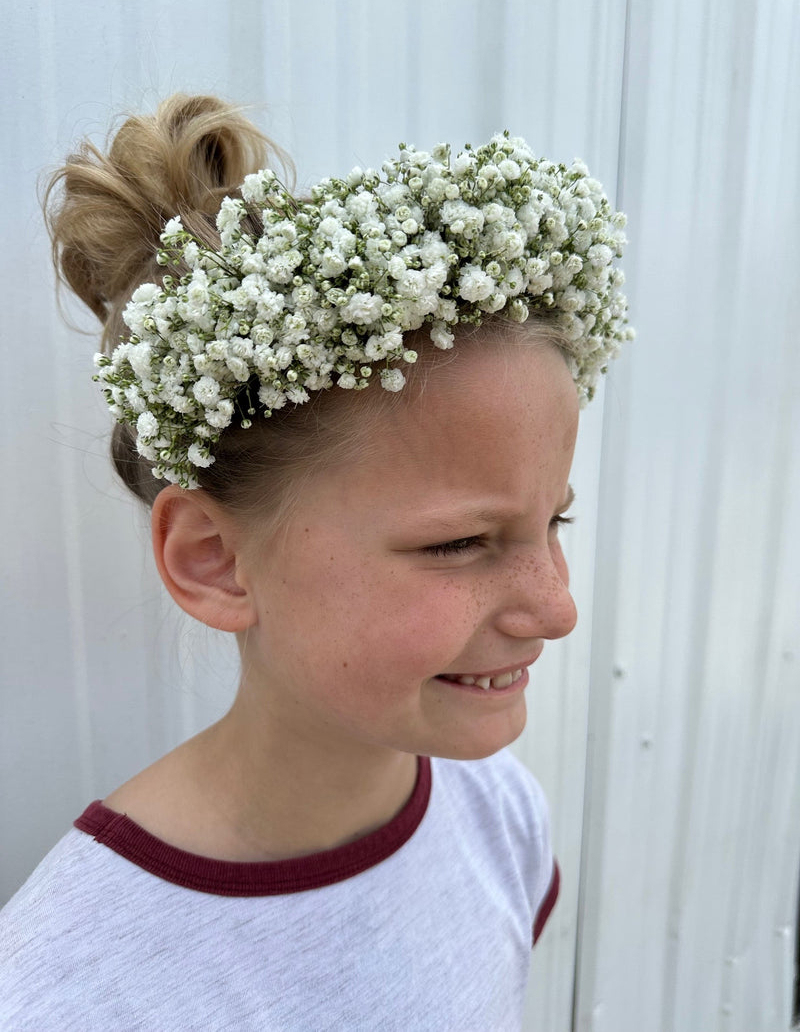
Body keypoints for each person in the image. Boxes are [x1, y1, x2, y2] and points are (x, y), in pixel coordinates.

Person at [0, 94, 631, 1030]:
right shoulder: (71, 991)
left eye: (555, 525)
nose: (556, 607)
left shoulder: (496, 813)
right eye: (460, 542)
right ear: (214, 560)